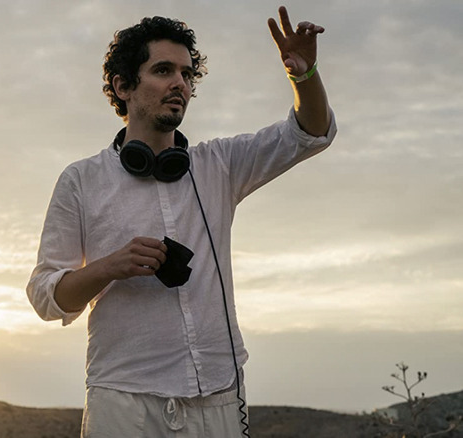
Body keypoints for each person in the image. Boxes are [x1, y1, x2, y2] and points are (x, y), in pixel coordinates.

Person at [26, 6, 336, 438]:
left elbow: (310, 133)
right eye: (163, 70)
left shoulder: (220, 164)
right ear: (123, 86)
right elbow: (45, 297)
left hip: (219, 396)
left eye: (188, 75)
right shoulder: (81, 180)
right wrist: (110, 266)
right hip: (124, 402)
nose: (180, 84)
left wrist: (304, 76)